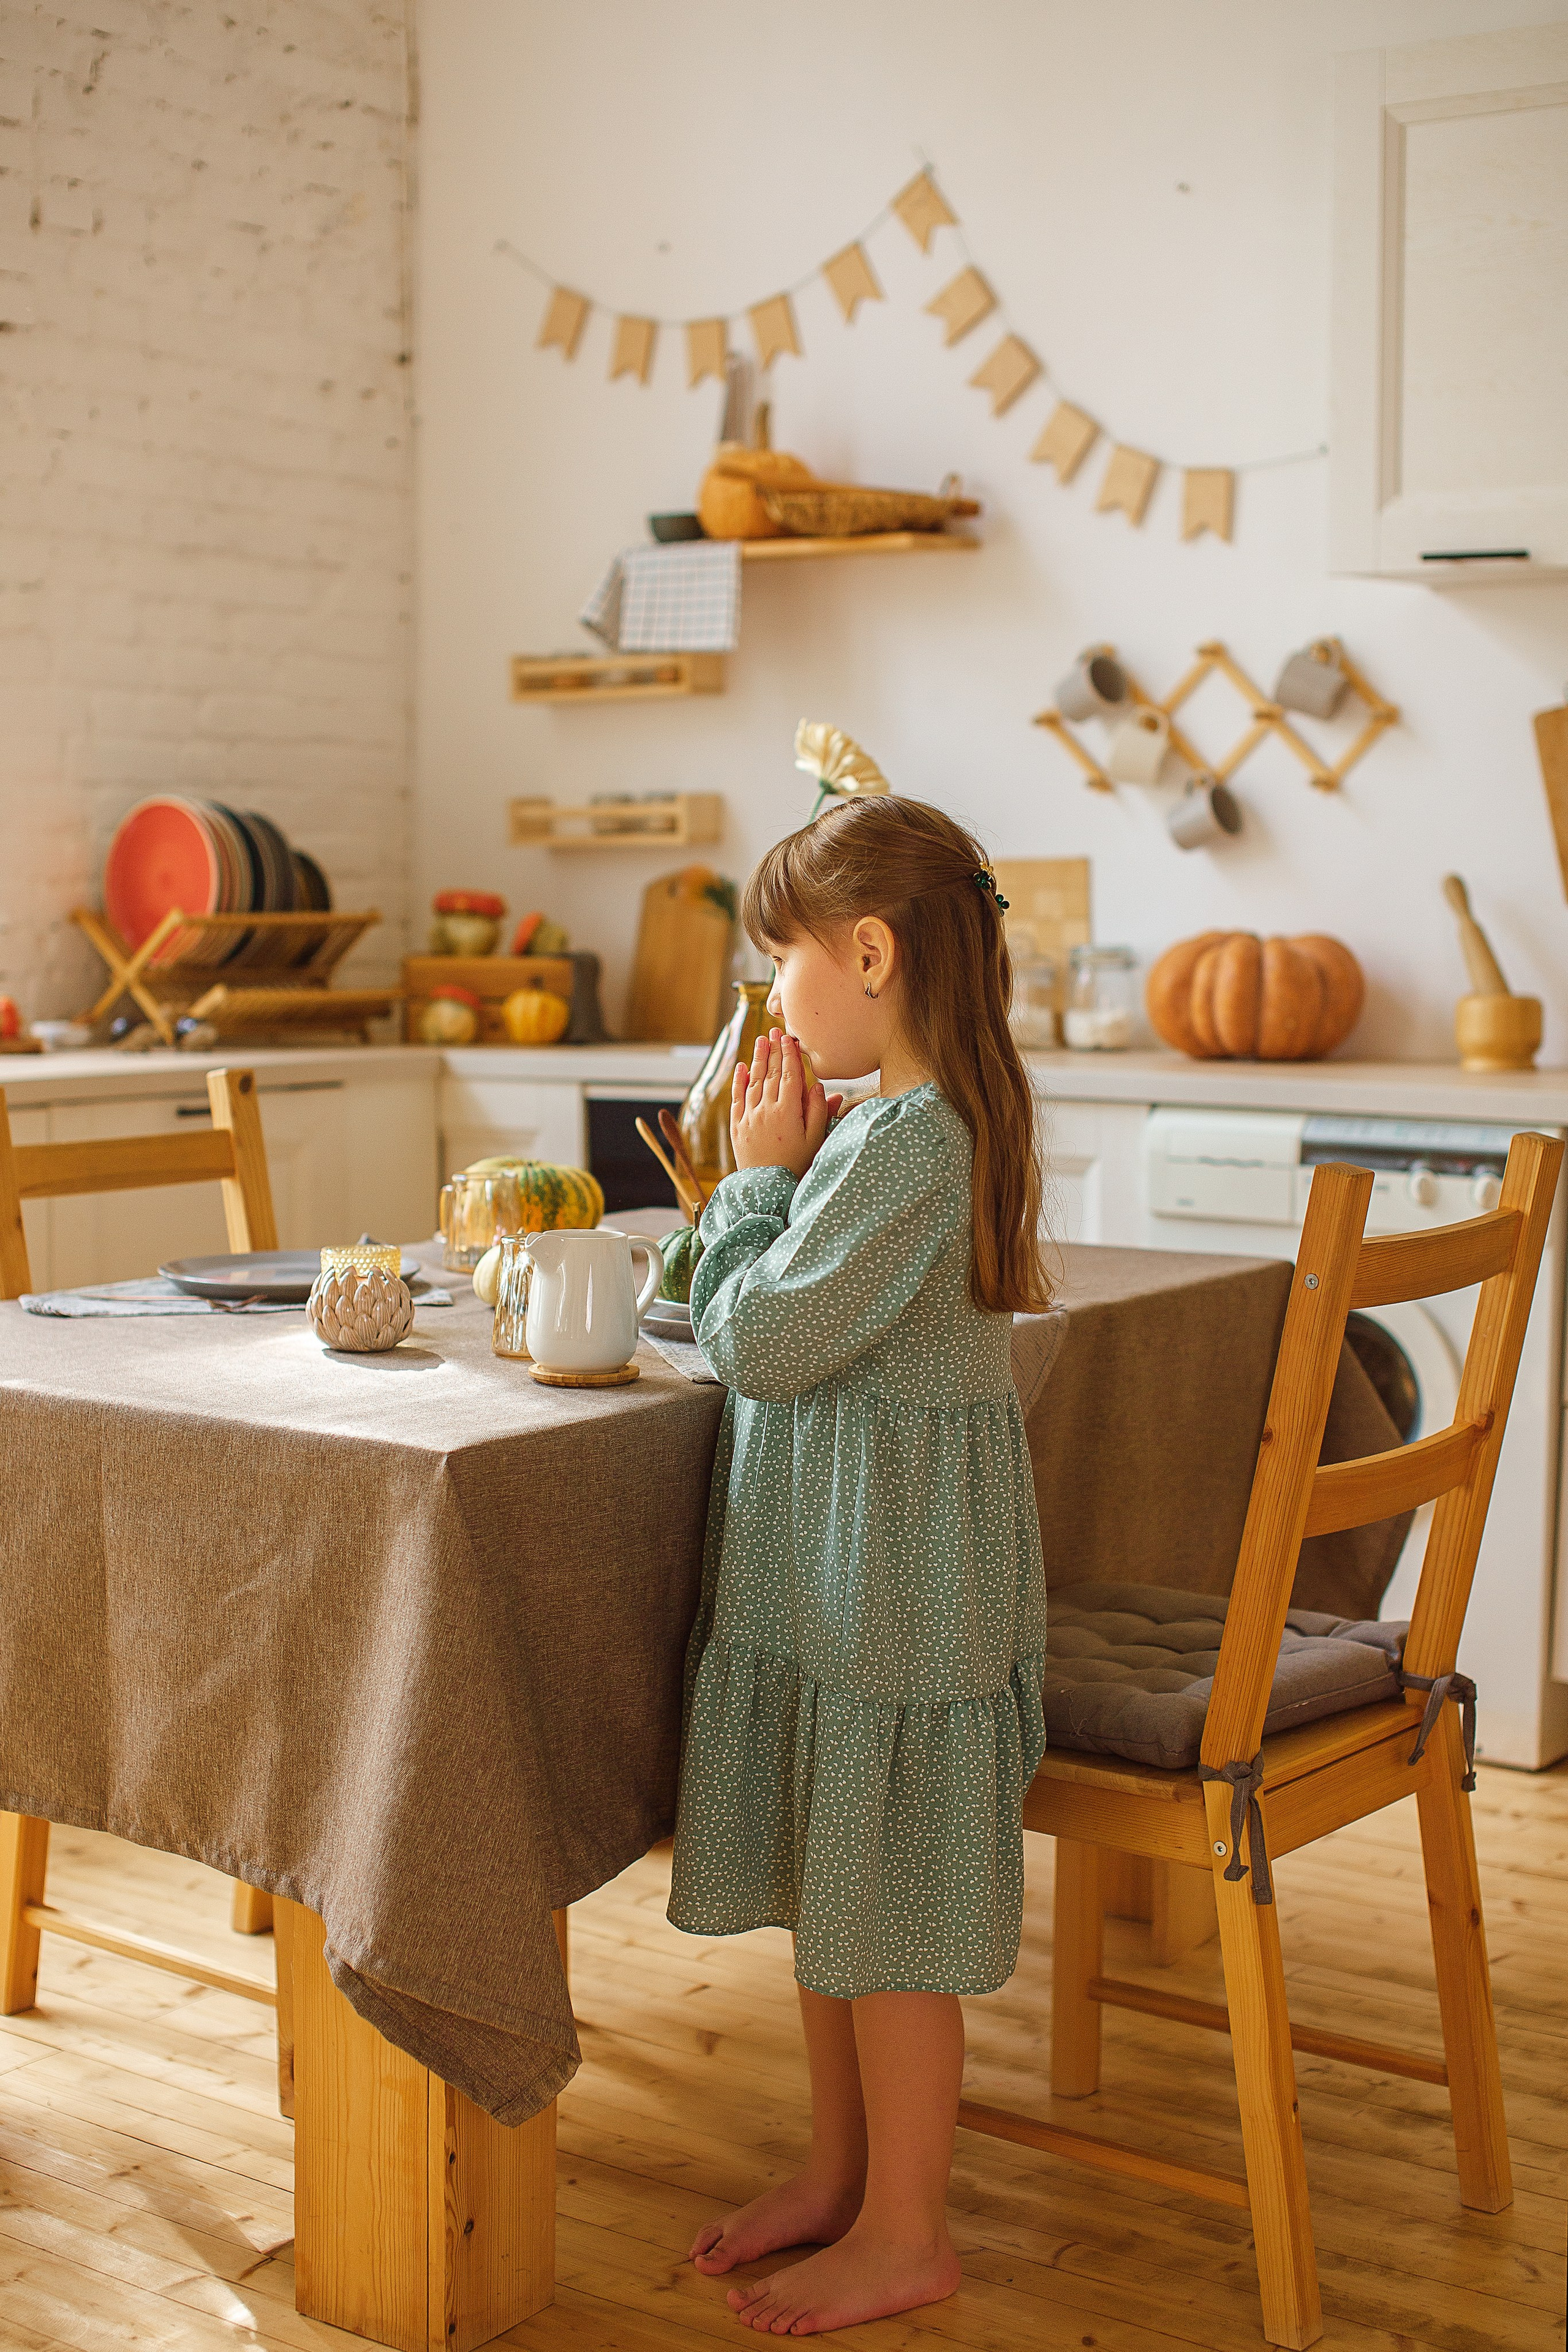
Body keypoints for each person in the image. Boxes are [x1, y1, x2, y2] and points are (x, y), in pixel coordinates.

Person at [667, 793, 1054, 2335]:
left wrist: (754, 1178)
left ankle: (906, 2230)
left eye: (778, 966)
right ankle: (838, 2177)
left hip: (886, 1591)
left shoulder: (904, 1146)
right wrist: (782, 1174)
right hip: (840, 1580)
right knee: (844, 1886)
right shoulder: (889, 1132)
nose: (768, 1000)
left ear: (870, 953)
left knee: (884, 1921)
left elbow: (756, 1338)